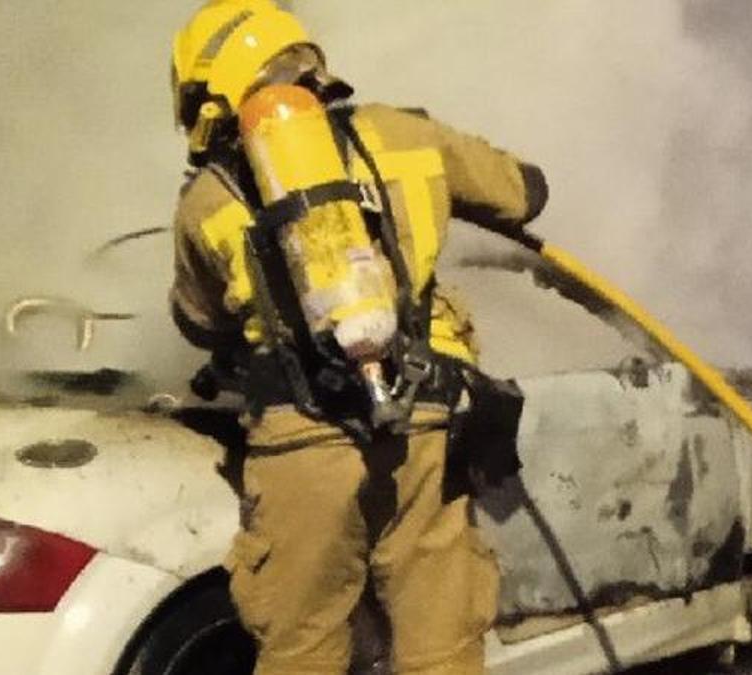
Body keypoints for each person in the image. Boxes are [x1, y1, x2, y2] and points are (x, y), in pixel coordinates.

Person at [167, 2, 548, 673]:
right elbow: (525, 192)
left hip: (302, 440)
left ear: (209, 96)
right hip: (420, 420)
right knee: (441, 649)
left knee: (303, 651)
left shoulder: (206, 199)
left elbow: (198, 323)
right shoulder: (402, 134)